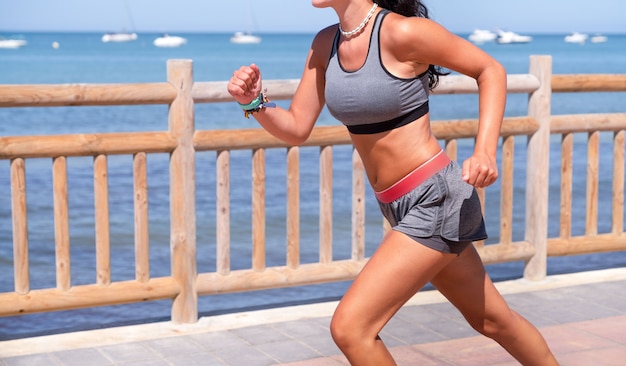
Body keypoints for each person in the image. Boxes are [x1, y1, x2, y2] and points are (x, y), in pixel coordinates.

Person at [227, 1, 559, 365]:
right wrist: (254, 102)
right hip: (397, 206)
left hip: (436, 199)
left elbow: (489, 69)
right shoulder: (325, 44)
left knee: (351, 328)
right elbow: (296, 128)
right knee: (494, 321)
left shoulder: (402, 32)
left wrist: (484, 152)